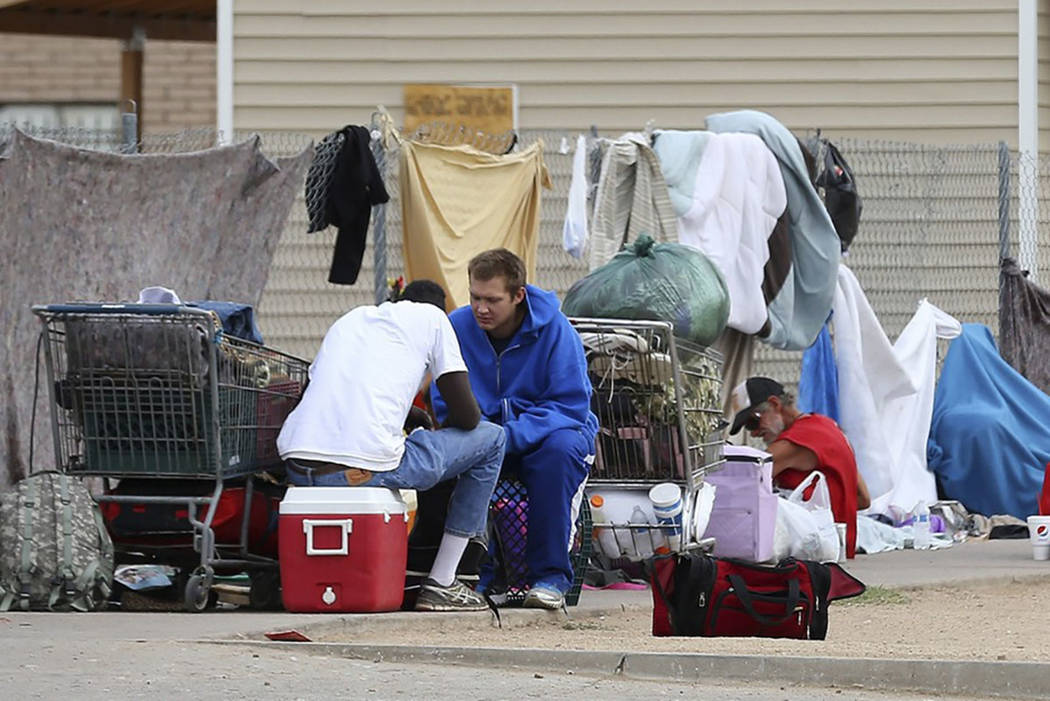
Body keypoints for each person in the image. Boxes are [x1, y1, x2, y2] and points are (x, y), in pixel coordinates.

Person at [276, 280, 505, 612]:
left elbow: (322, 393)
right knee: (492, 439)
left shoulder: (352, 319)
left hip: (297, 463)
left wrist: (406, 414)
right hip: (360, 468)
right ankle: (444, 581)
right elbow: (468, 418)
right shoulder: (434, 319)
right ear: (441, 309)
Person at [431, 249, 598, 609]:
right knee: (440, 457)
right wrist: (486, 437)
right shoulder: (456, 327)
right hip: (486, 434)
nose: (481, 308)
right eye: (475, 297)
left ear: (518, 295)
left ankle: (550, 579)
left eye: (492, 300)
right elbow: (444, 404)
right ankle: (470, 575)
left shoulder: (557, 330)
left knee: (555, 456)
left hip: (554, 432)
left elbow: (570, 405)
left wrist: (508, 436)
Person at [728, 376, 871, 558]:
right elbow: (863, 498)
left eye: (752, 423)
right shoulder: (829, 426)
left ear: (775, 404)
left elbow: (738, 488)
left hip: (814, 550)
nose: (754, 433)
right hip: (839, 546)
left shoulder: (793, 443)